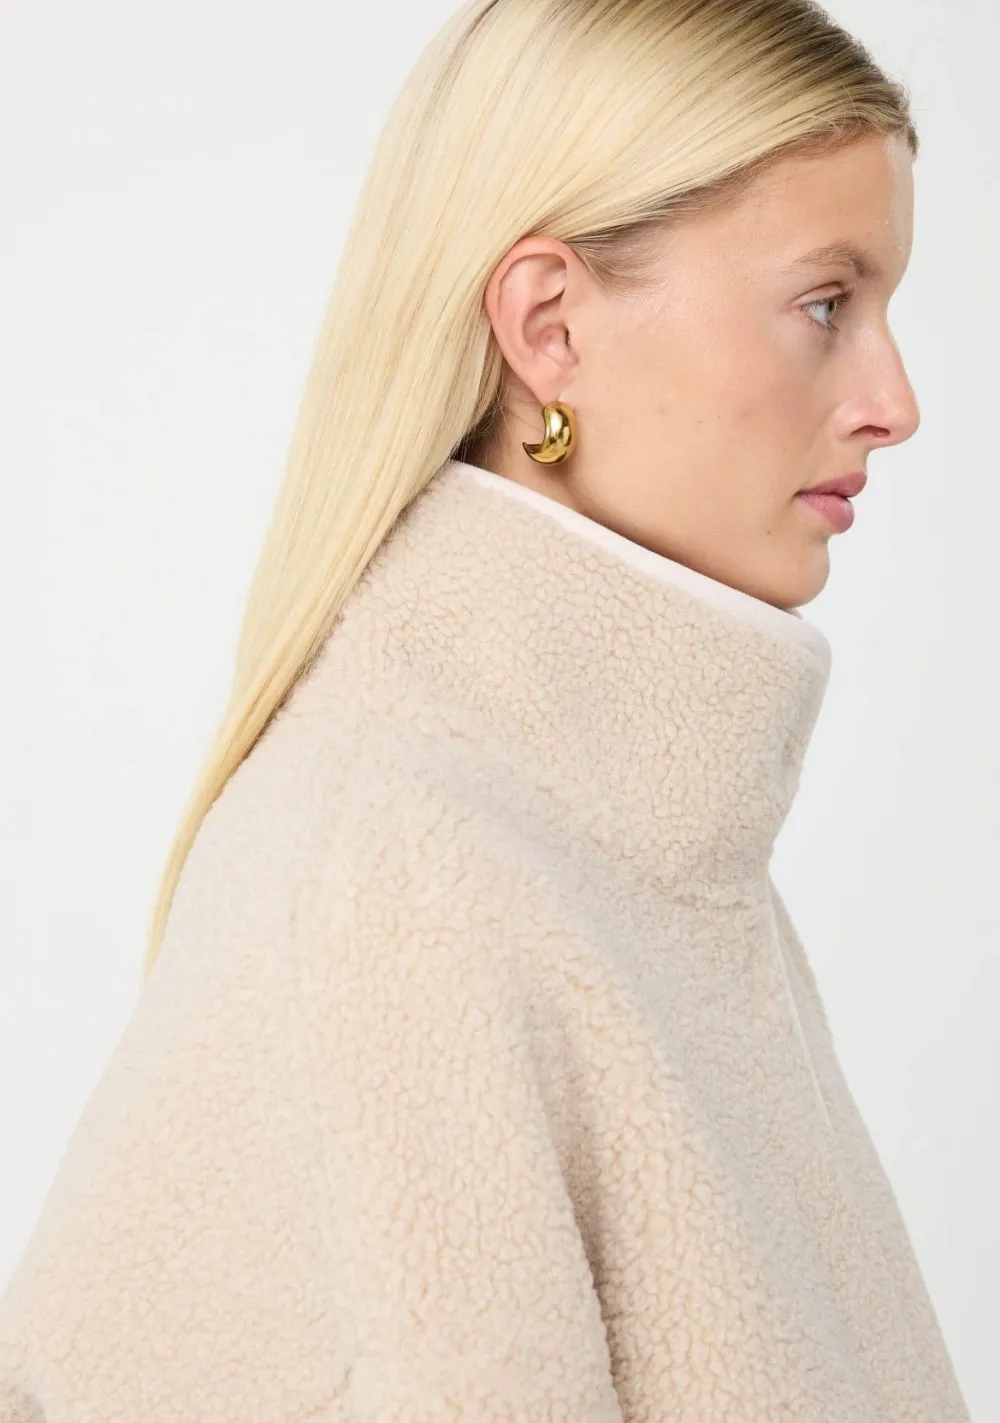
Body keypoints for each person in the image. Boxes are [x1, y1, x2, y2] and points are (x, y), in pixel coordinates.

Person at [0, 0, 972, 1419]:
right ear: (549, 326)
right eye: (827, 305)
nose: (895, 401)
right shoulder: (409, 872)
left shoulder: (646, 849)